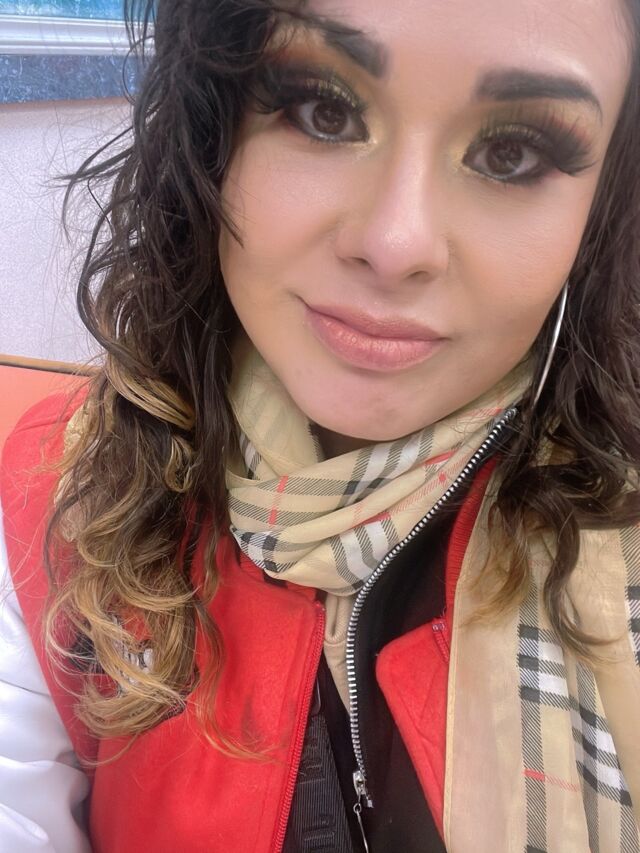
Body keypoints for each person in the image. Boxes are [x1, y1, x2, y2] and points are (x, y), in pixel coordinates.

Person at [1, 0, 639, 850]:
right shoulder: (57, 494)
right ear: (211, 127)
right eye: (322, 110)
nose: (395, 243)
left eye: (511, 154)